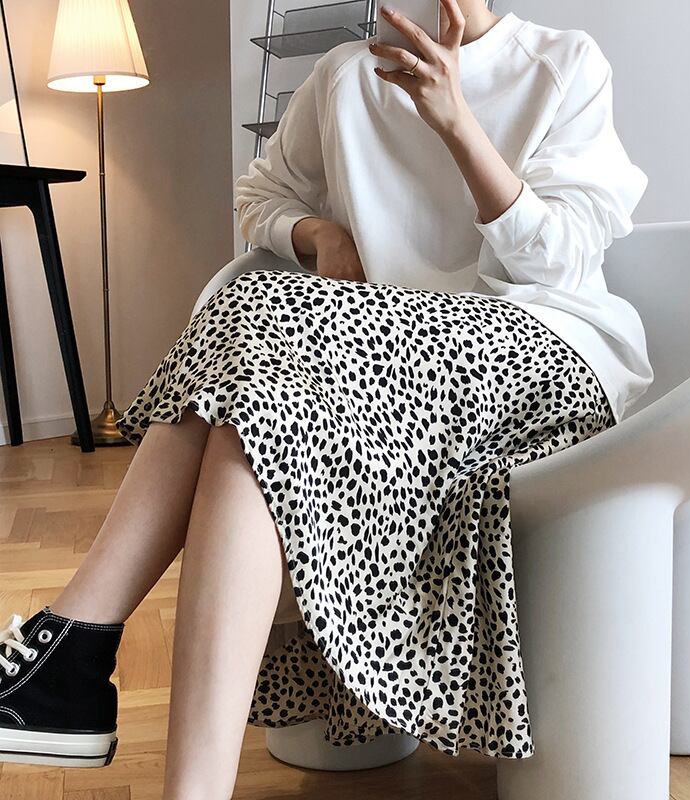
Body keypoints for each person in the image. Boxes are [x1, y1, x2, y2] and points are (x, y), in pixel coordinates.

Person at [0, 0, 652, 796]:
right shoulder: (344, 76)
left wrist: (457, 122)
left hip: (543, 353)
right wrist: (319, 236)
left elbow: (560, 263)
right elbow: (261, 195)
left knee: (252, 325)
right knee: (252, 402)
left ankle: (72, 651)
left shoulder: (563, 63)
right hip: (373, 369)